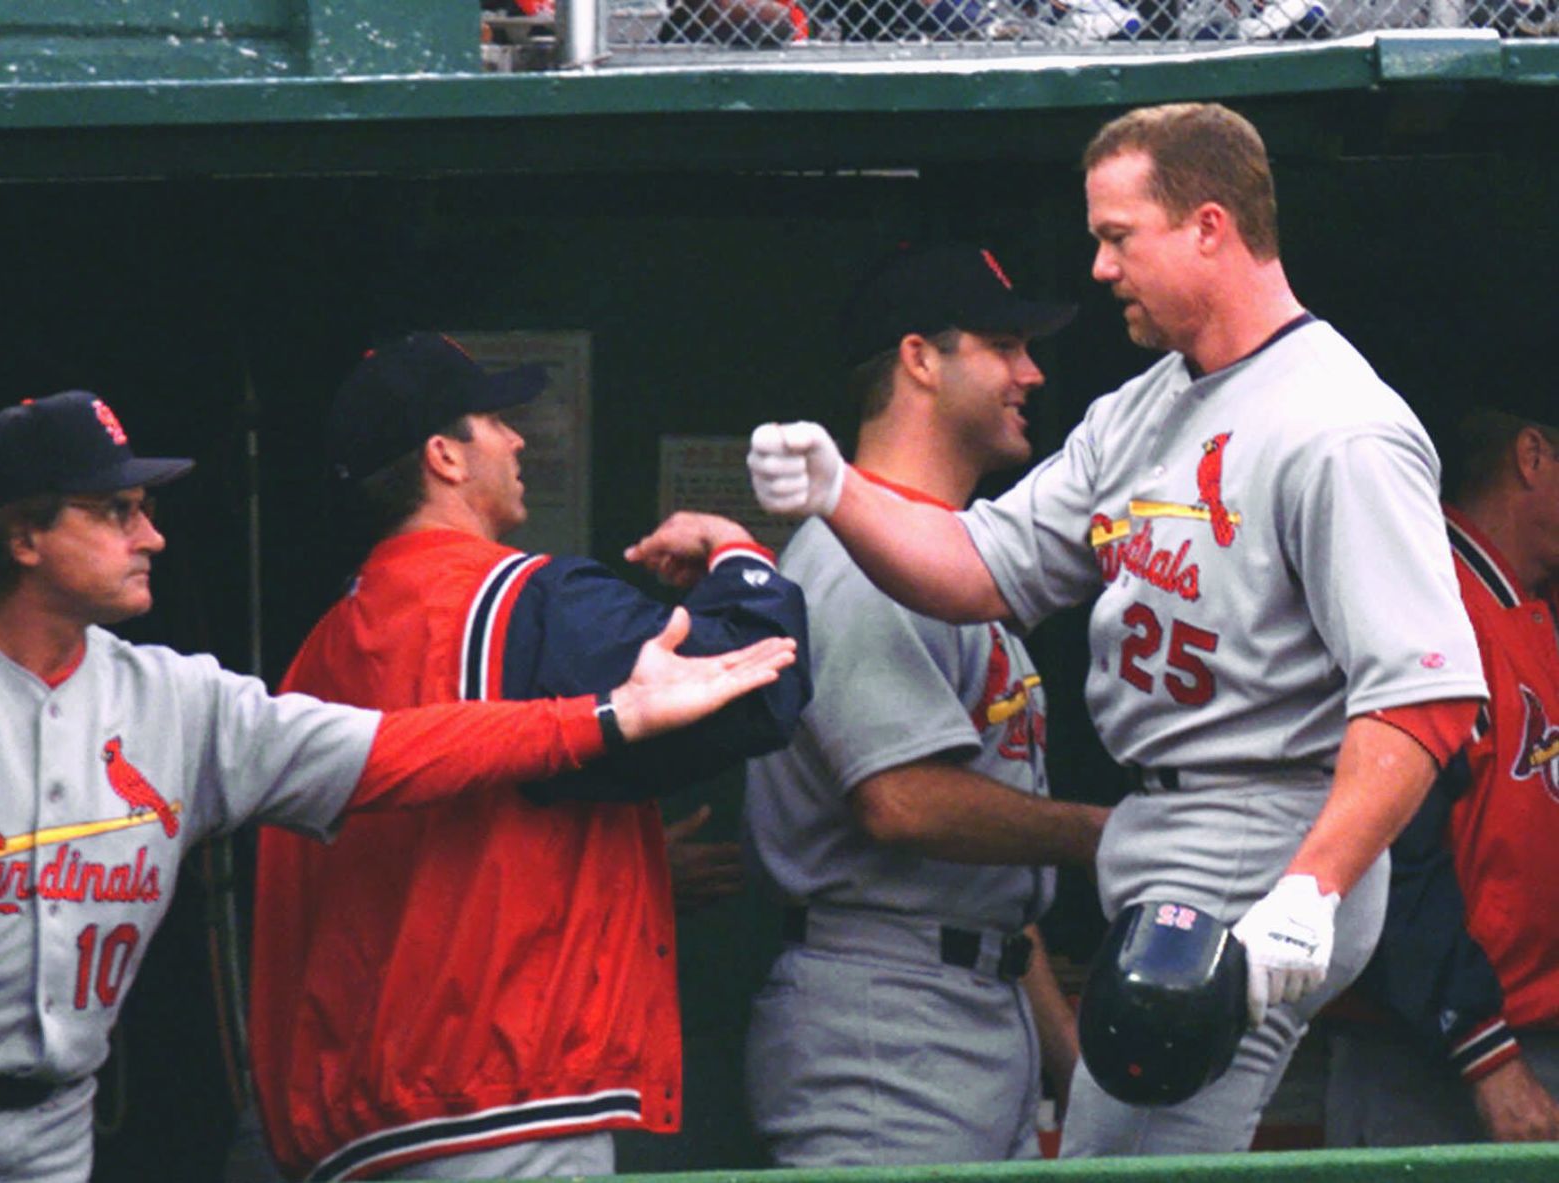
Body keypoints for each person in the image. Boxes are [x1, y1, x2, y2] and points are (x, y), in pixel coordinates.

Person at [745, 101, 1486, 1156]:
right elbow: (982, 567)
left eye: (1117, 236)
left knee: (1126, 1162)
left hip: (1261, 823)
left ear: (1210, 228)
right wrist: (839, 496)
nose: (1099, 267)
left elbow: (1422, 693)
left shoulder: (1337, 424)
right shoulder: (1142, 409)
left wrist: (1309, 889)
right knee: (1121, 1152)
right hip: (1171, 831)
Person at [0, 389, 795, 1183]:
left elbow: (395, 753)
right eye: (115, 511)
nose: (152, 536)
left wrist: (606, 717)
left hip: (57, 1124)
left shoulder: (177, 697)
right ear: (22, 538)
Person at [248, 333, 810, 1182]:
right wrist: (736, 549)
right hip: (499, 1107)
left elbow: (440, 852)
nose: (516, 440)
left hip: (357, 1129)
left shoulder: (317, 653)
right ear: (443, 455)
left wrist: (623, 868)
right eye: (495, 420)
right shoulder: (518, 601)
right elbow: (759, 678)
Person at [722, 243, 1108, 1167]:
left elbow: (1000, 905)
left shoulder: (942, 561)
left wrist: (1079, 1079)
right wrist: (1116, 832)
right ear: (919, 360)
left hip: (977, 1003)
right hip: (883, 1018)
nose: (1032, 372)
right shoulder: (852, 559)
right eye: (1005, 344)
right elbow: (901, 800)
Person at [1325, 400, 1559, 1146]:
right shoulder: (1429, 594)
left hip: (1523, 1036)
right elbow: (1386, 847)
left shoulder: (1530, 606)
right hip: (1431, 1058)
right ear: (1533, 457)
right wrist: (1485, 1052)